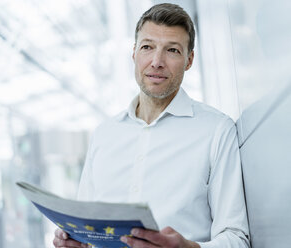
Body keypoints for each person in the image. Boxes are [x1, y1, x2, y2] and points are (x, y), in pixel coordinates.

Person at [53, 3, 250, 248]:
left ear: (189, 60)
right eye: (147, 47)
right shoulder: (104, 135)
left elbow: (237, 238)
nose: (157, 61)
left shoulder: (217, 131)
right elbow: (88, 229)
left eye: (172, 50)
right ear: (134, 52)